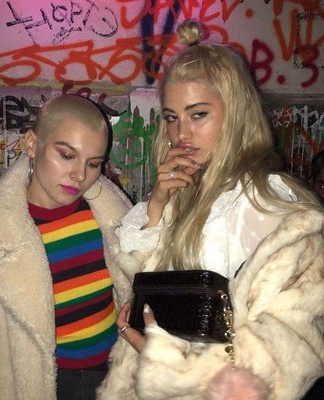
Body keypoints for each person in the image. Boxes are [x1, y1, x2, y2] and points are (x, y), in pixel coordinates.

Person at [97, 20, 324, 400]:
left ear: (235, 114)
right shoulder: (186, 190)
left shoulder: (267, 204)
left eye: (198, 114)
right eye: (172, 117)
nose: (181, 134)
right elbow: (141, 283)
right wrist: (157, 205)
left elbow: (285, 363)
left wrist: (169, 365)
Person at [0, 94, 133, 400]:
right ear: (32, 144)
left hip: (114, 376)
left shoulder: (110, 211)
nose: (80, 175)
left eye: (93, 163)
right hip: (38, 383)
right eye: (67, 155)